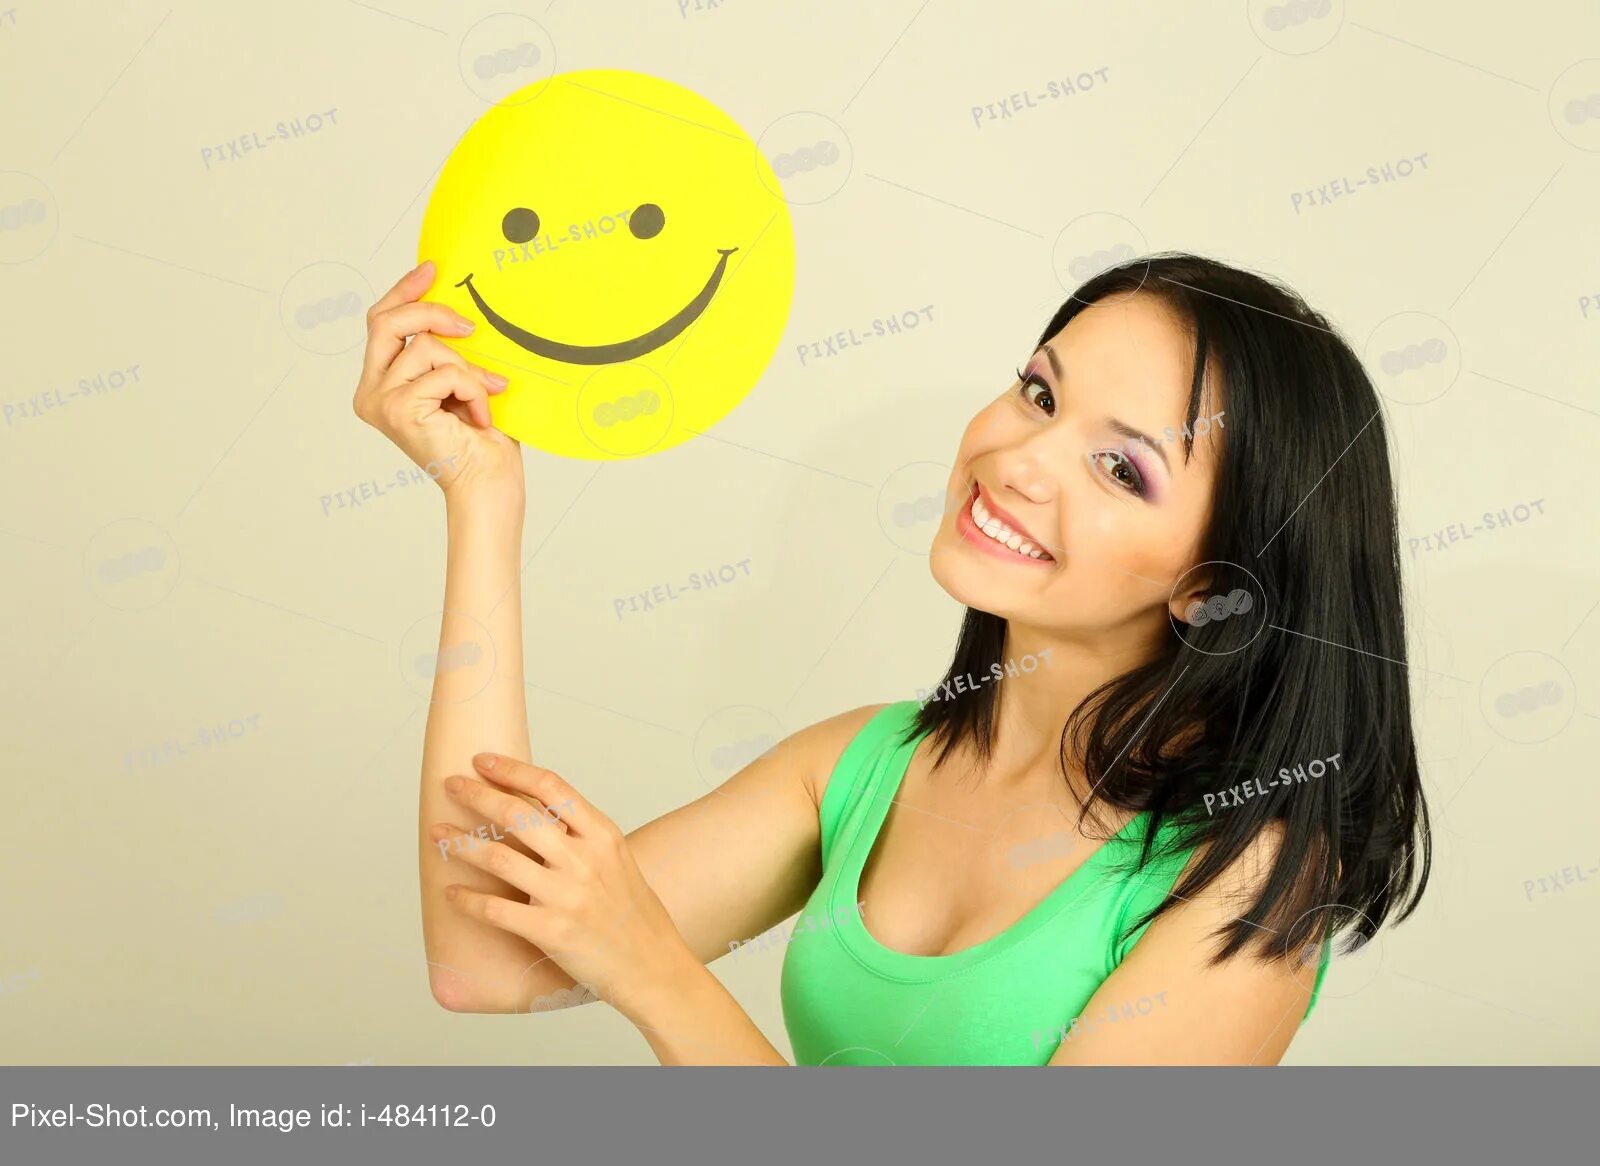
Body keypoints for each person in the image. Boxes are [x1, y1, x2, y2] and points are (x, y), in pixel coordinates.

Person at [352, 251, 1430, 1065]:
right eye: (1040, 392)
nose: (1017, 458)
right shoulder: (860, 765)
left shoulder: (1243, 885)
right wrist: (480, 497)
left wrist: (649, 965)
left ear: (1211, 586)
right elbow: (484, 960)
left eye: (1118, 466)